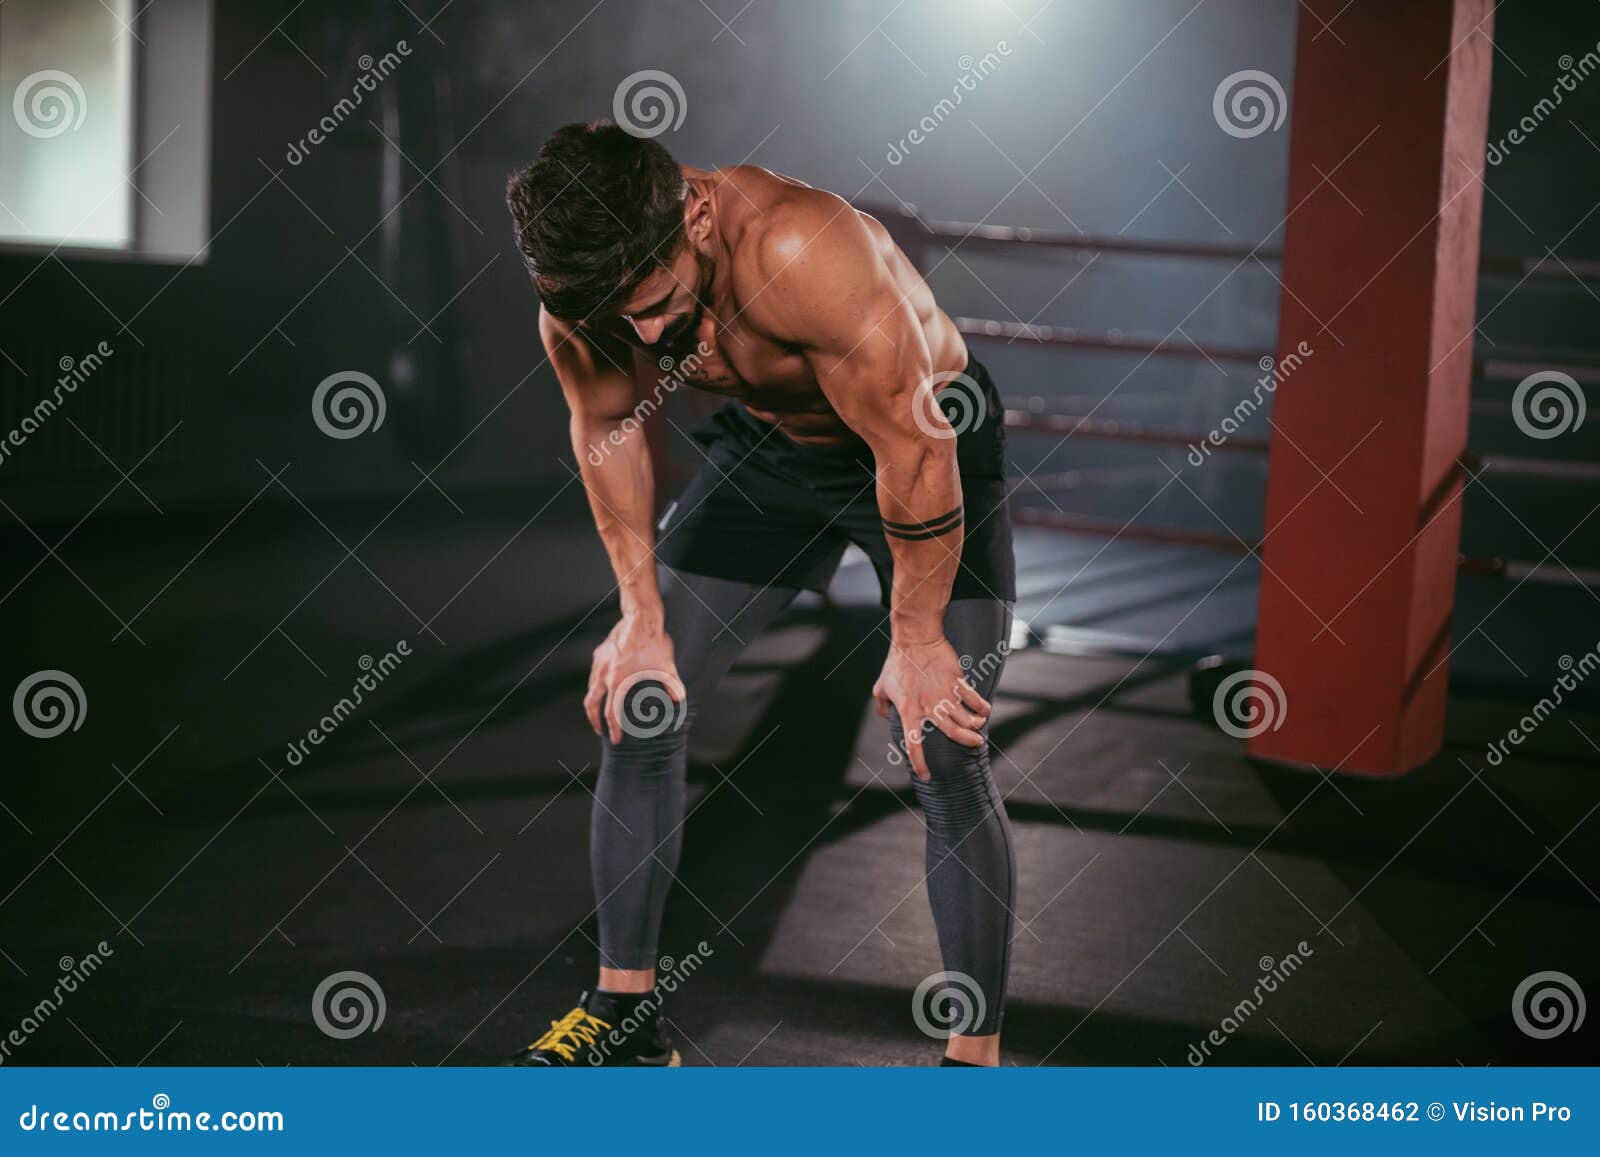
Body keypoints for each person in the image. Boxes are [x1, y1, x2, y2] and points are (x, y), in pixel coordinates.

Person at [502, 120, 1017, 1067]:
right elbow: (609, 427)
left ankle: (971, 1063)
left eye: (657, 303)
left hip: (923, 448)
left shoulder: (800, 248)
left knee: (944, 735)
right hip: (773, 455)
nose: (648, 335)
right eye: (624, 320)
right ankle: (625, 1021)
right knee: (640, 700)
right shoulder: (582, 294)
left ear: (696, 215)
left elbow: (915, 444)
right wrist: (639, 618)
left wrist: (914, 640)